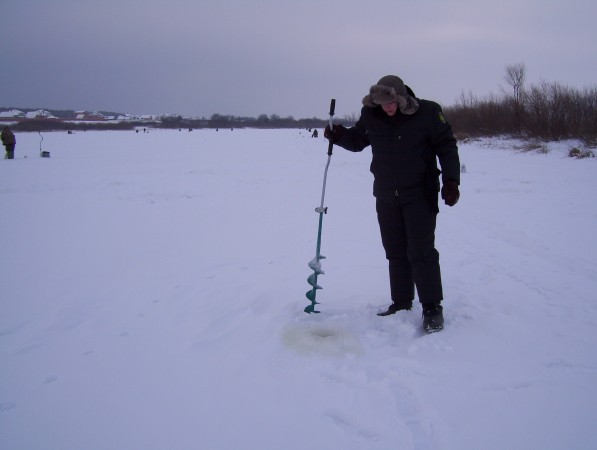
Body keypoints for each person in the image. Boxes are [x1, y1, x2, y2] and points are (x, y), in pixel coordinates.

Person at [324, 75, 460, 332]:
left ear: (401, 97)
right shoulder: (371, 114)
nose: (386, 108)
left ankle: (432, 308)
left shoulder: (428, 112)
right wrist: (339, 135)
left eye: (391, 102)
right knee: (395, 250)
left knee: (421, 251)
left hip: (420, 193)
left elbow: (447, 146)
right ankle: (401, 302)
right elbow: (358, 141)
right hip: (386, 194)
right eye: (381, 103)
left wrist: (451, 181)